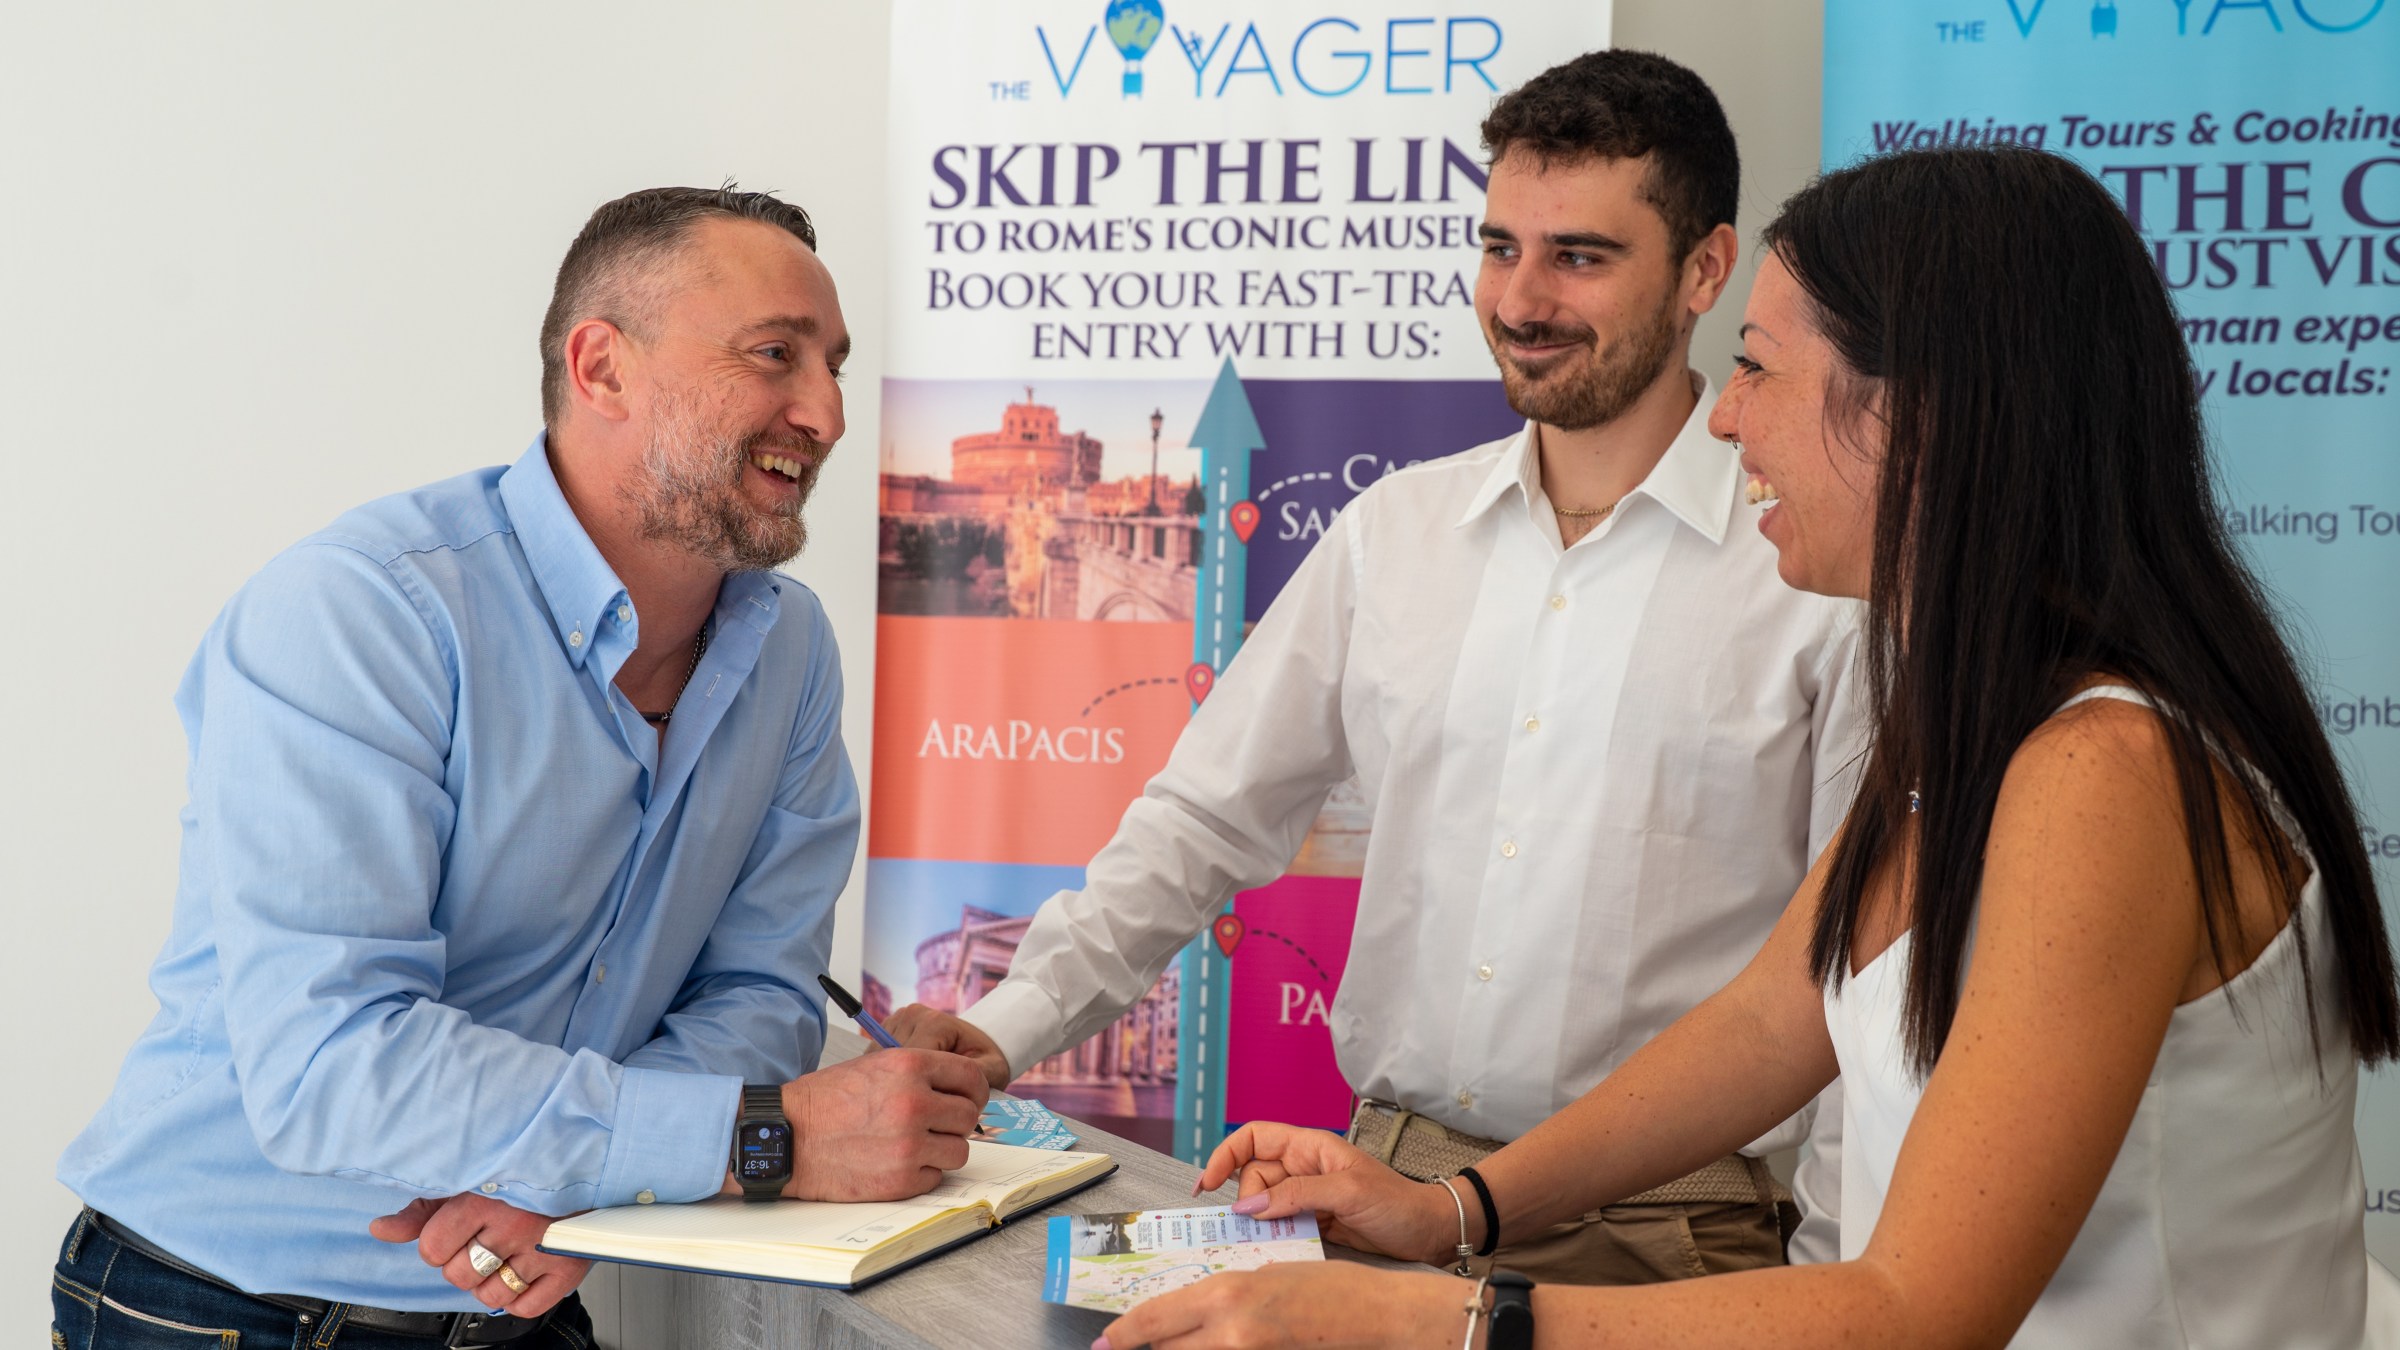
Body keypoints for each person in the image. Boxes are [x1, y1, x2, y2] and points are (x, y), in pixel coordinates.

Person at [1092, 144, 2400, 1350]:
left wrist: (1425, 1322)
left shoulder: (2104, 778)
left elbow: (1918, 1309)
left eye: (1763, 368)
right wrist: (1452, 1212)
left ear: (1922, 409)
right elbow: (1773, 1019)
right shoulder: (1979, 725)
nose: (1725, 421)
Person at [890, 49, 1866, 1283]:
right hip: (1381, 1195)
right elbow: (1201, 822)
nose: (1520, 299)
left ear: (1705, 272)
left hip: (1671, 1231)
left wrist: (1841, 1288)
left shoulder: (1816, 573)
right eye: (1499, 245)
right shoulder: (1394, 533)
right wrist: (997, 1033)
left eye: (1580, 256)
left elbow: (1857, 983)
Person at [51, 185, 991, 1349]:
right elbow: (335, 1063)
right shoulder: (362, 613)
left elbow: (755, 991)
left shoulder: (789, 652)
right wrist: (765, 1139)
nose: (829, 413)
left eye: (835, 365)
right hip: (213, 1309)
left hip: (532, 1289)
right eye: (774, 355)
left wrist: (575, 1184)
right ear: (600, 368)